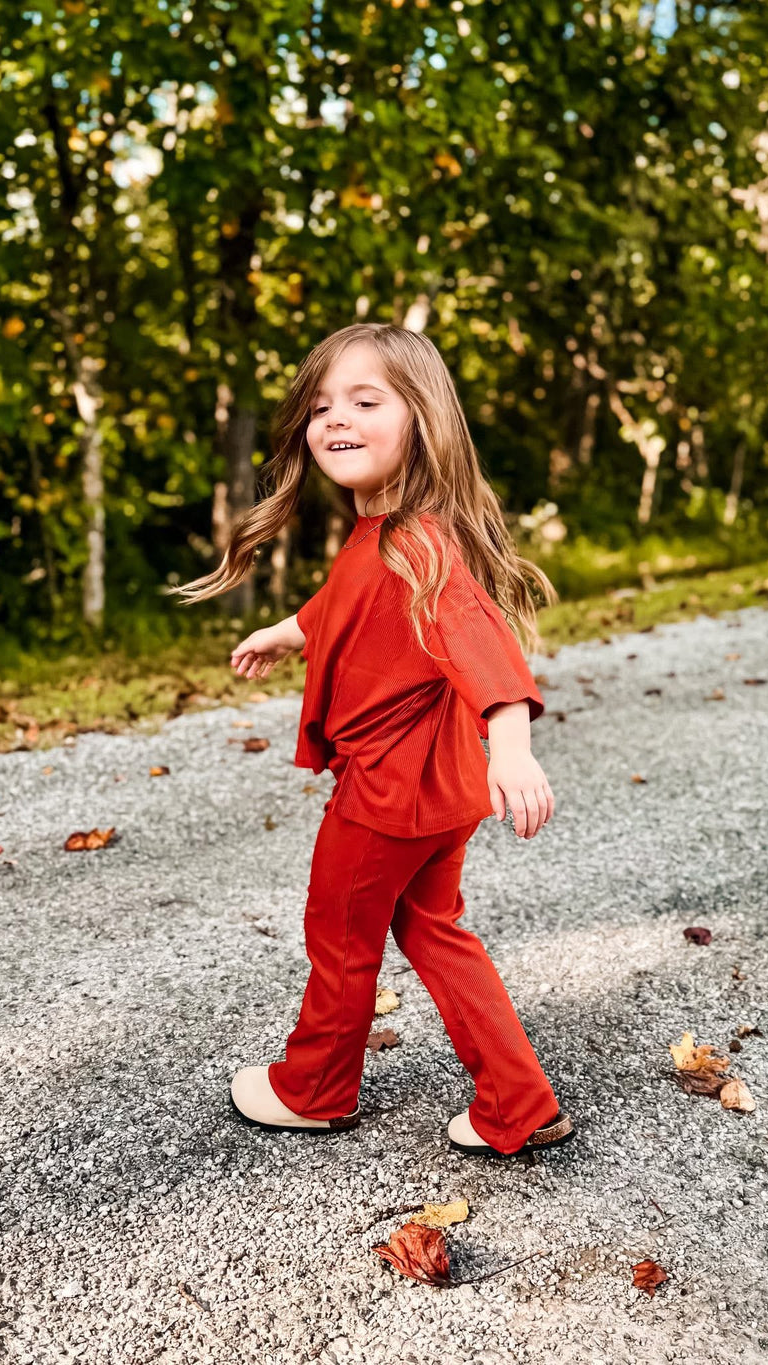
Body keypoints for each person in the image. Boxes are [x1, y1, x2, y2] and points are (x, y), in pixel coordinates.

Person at [169, 322, 575, 1158]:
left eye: (364, 401)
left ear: (422, 418)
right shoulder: (387, 535)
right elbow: (345, 603)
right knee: (433, 928)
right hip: (438, 794)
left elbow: (487, 649)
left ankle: (315, 1087)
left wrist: (512, 748)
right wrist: (288, 631)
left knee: (341, 933)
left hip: (388, 794)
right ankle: (520, 1101)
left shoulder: (418, 544)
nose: (336, 420)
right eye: (322, 405)